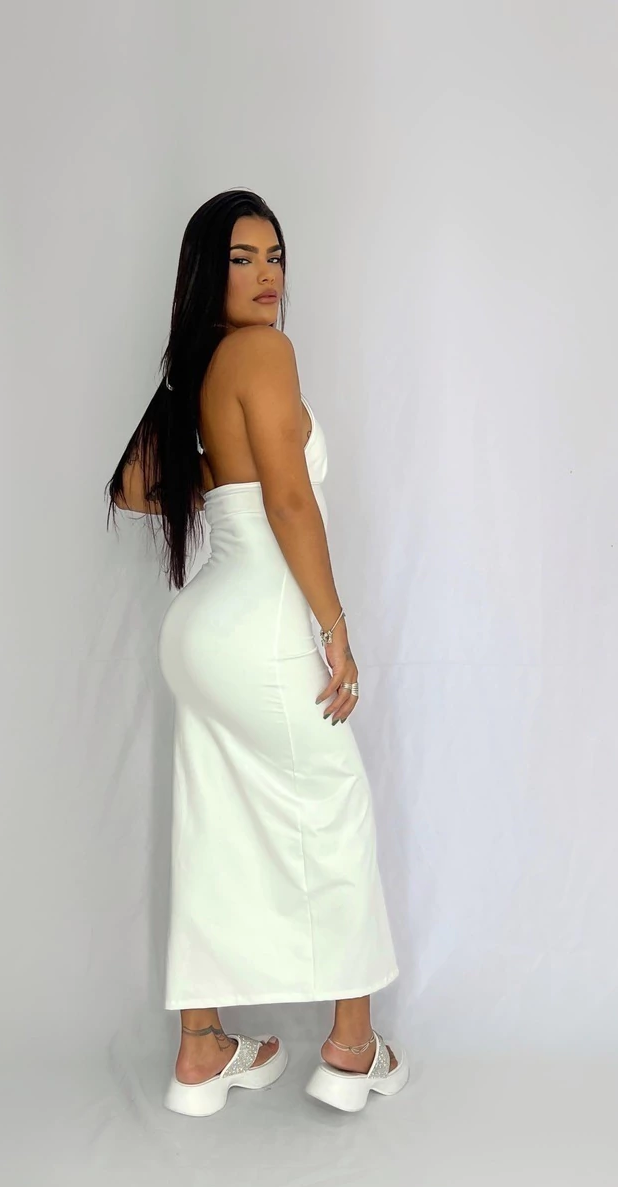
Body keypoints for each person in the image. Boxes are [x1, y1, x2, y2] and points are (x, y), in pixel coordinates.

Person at [107, 189, 408, 1117]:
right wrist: (335, 625)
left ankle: (202, 1046)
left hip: (201, 631)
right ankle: (352, 1047)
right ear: (209, 271)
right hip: (265, 629)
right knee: (336, 807)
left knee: (214, 821)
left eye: (275, 255)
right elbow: (288, 500)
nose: (267, 274)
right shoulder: (264, 353)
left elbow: (131, 485)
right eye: (243, 258)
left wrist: (212, 474)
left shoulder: (199, 368)